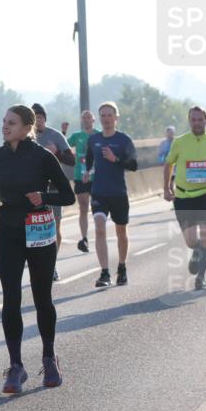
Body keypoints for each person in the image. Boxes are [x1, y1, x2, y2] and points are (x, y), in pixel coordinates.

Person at [0, 104, 75, 394]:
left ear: (27, 127)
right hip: (8, 231)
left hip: (39, 230)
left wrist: (44, 197)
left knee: (41, 297)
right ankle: (16, 366)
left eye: (11, 122)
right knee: (10, 298)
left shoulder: (43, 157)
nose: (5, 126)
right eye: (4, 121)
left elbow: (68, 196)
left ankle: (49, 359)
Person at [163, 106, 206, 290]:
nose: (197, 123)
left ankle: (201, 277)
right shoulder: (180, 142)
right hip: (183, 197)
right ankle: (197, 251)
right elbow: (168, 164)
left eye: (200, 119)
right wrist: (166, 188)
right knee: (191, 241)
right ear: (189, 121)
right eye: (193, 119)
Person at [85, 102, 137, 287]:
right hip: (99, 192)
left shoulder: (124, 140)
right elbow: (89, 158)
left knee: (121, 231)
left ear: (116, 118)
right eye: (103, 115)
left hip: (118, 193)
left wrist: (116, 159)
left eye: (109, 115)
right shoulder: (94, 139)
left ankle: (122, 267)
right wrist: (87, 171)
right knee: (99, 229)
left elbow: (134, 165)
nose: (106, 119)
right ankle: (105, 273)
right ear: (99, 118)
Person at [31, 104, 75, 281]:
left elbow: (71, 160)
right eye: (35, 118)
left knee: (55, 227)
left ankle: (52, 264)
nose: (38, 121)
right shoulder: (27, 138)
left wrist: (56, 152)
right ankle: (38, 266)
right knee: (36, 230)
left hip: (55, 189)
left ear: (45, 119)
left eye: (40, 117)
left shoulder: (55, 135)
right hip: (34, 190)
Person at [67, 110, 99, 253]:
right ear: (82, 120)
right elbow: (63, 146)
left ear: (93, 120)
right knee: (83, 207)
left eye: (88, 118)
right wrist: (63, 131)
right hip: (80, 177)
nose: (86, 120)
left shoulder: (99, 135)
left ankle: (100, 234)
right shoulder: (77, 136)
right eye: (84, 118)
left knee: (98, 208)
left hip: (97, 177)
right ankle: (84, 238)